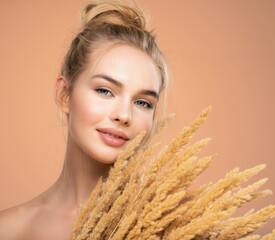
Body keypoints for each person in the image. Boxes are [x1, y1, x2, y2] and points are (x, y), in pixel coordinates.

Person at [0, 0, 169, 239]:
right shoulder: (8, 229)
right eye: (104, 90)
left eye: (143, 103)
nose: (123, 115)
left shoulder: (172, 224)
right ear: (64, 95)